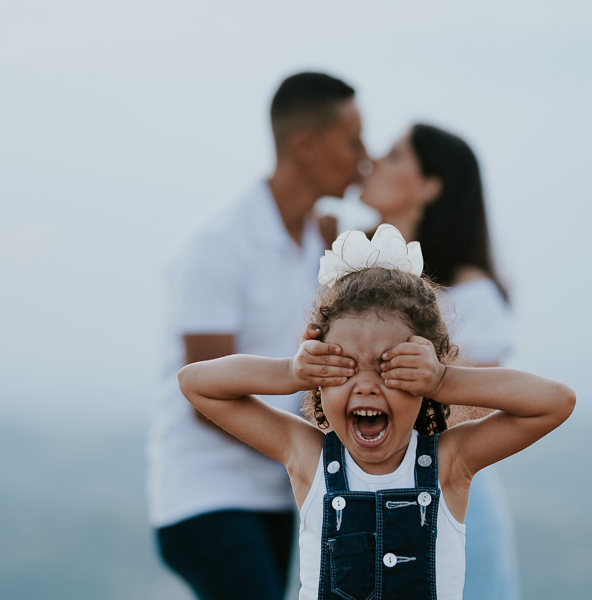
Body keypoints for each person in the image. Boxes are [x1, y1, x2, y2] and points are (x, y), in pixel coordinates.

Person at [178, 225, 575, 600]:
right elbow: (196, 383)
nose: (366, 385)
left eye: (390, 367)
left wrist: (442, 380)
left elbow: (555, 402)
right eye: (345, 367)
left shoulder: (451, 464)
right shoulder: (308, 457)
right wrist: (289, 372)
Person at [147, 72, 366, 599]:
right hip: (204, 495)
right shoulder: (218, 242)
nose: (366, 157)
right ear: (306, 147)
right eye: (353, 140)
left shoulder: (326, 241)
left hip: (276, 491)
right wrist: (310, 445)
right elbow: (203, 398)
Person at [359, 123, 519, 598]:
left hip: (446, 502)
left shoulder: (470, 293)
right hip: (354, 498)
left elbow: (484, 411)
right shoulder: (350, 267)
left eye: (392, 157)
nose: (371, 162)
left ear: (429, 186)